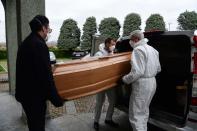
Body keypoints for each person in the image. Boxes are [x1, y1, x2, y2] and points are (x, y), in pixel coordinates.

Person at [15, 15, 63, 131]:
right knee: (37, 127)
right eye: (48, 29)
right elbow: (46, 76)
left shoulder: (26, 42)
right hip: (34, 98)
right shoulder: (39, 44)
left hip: (25, 95)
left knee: (33, 125)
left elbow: (33, 70)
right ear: (43, 28)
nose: (48, 32)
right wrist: (56, 99)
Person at [120, 30, 161, 131]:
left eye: (131, 40)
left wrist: (125, 79)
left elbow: (137, 72)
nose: (130, 42)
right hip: (152, 81)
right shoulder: (153, 49)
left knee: (136, 114)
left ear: (136, 39)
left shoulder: (138, 50)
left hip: (142, 84)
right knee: (144, 110)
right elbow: (159, 68)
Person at [93, 38, 119, 130]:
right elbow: (94, 67)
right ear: (107, 44)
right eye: (112, 44)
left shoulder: (112, 54)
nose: (113, 46)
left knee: (113, 100)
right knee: (100, 102)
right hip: (101, 81)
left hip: (110, 82)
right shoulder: (99, 54)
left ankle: (108, 118)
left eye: (114, 44)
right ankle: (96, 121)